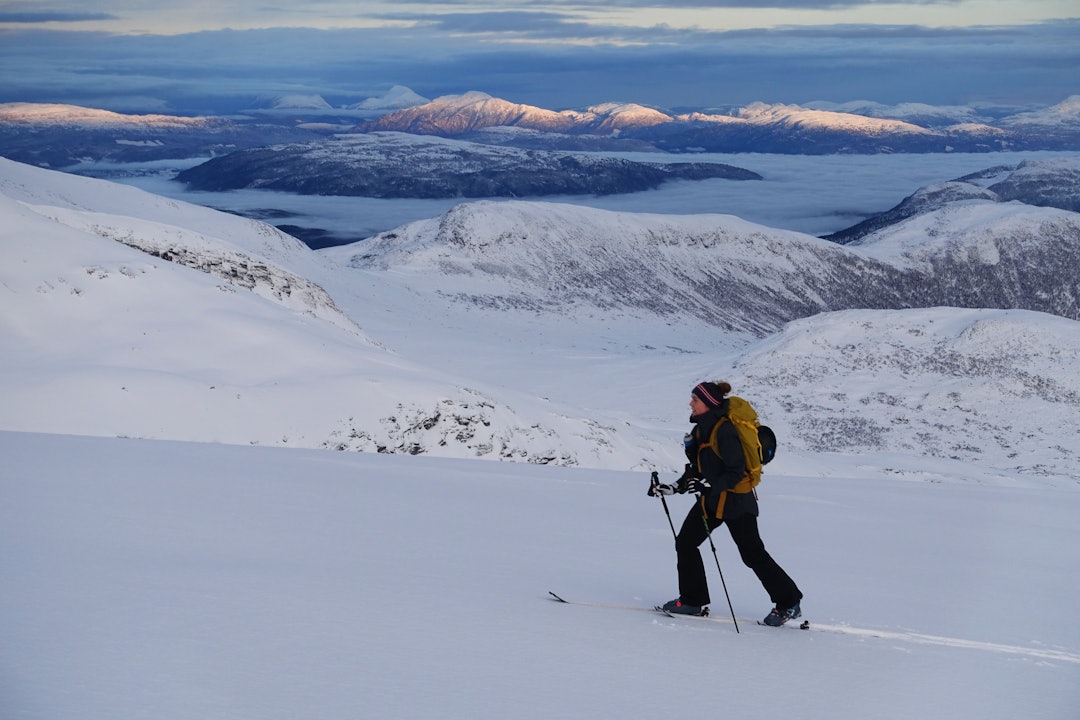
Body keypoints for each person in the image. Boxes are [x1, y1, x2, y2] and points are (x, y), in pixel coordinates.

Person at [649, 381, 803, 626]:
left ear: (709, 403)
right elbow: (698, 470)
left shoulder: (725, 430)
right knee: (686, 543)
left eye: (695, 400)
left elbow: (737, 472)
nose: (690, 404)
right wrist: (673, 488)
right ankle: (692, 601)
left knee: (752, 555)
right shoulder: (703, 429)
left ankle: (789, 602)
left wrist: (708, 486)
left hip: (736, 501)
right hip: (712, 499)